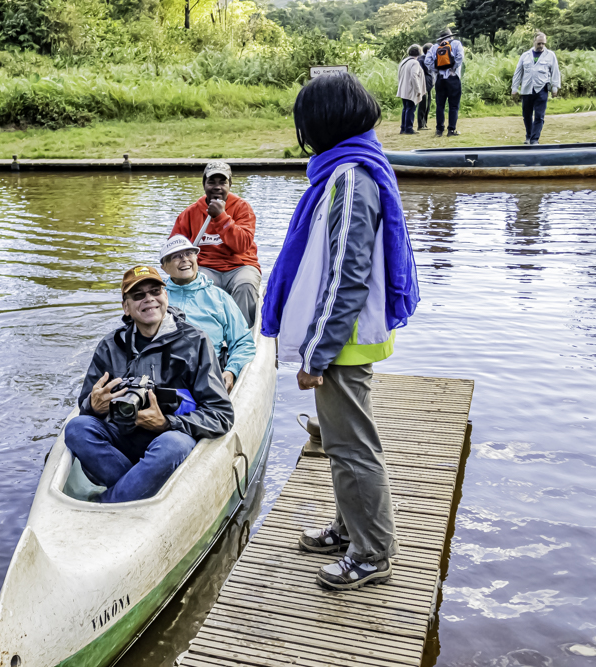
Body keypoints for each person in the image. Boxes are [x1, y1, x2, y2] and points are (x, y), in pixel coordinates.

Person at [260, 72, 420, 591]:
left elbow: (347, 277)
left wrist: (317, 353)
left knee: (352, 448)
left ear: (323, 123)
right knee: (340, 442)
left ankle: (372, 552)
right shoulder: (349, 169)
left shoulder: (350, 179)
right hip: (341, 339)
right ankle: (349, 528)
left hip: (342, 343)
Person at [63, 265, 235, 503]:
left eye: (155, 291)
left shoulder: (196, 341)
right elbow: (85, 407)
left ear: (166, 296)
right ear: (126, 307)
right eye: (138, 295)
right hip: (121, 438)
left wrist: (166, 423)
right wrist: (94, 405)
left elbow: (221, 415)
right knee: (76, 428)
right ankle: (138, 486)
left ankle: (109, 501)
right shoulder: (109, 345)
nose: (149, 299)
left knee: (173, 444)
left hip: (169, 438)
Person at [159, 235, 256, 394]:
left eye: (189, 254)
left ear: (197, 258)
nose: (184, 259)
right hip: (164, 373)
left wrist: (231, 370)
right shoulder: (157, 298)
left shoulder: (219, 297)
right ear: (164, 267)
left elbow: (243, 342)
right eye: (176, 256)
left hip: (207, 373)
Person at [171, 161, 261, 329]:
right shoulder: (190, 213)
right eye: (211, 182)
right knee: (198, 285)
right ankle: (206, 334)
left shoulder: (242, 208)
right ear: (204, 184)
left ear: (230, 184)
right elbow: (174, 246)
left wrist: (221, 217)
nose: (217, 187)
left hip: (240, 266)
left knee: (246, 285)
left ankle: (241, 335)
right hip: (206, 267)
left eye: (222, 182)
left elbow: (242, 245)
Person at [512, 32, 561, 145]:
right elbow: (518, 72)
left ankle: (534, 139)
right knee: (527, 115)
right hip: (527, 89)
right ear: (534, 41)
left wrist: (555, 87)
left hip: (542, 89)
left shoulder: (550, 55)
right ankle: (528, 136)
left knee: (539, 116)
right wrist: (514, 88)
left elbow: (555, 72)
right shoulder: (525, 55)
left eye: (543, 43)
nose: (541, 46)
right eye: (539, 43)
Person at [424, 28, 464, 137]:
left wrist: (436, 70)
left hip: (440, 79)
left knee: (440, 105)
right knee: (453, 106)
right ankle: (451, 130)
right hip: (453, 78)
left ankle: (439, 130)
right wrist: (453, 68)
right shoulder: (456, 43)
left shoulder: (435, 47)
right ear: (451, 36)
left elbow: (427, 61)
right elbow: (460, 56)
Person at [396, 44, 426, 135]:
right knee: (411, 108)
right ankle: (409, 128)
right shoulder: (415, 63)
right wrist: (418, 90)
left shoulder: (404, 61)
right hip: (411, 89)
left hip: (403, 88)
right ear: (419, 53)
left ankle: (403, 128)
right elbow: (414, 76)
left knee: (405, 108)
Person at [417, 43, 435, 130]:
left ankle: (424, 123)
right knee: (423, 104)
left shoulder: (426, 59)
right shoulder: (422, 60)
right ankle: (421, 124)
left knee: (427, 105)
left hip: (428, 85)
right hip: (424, 85)